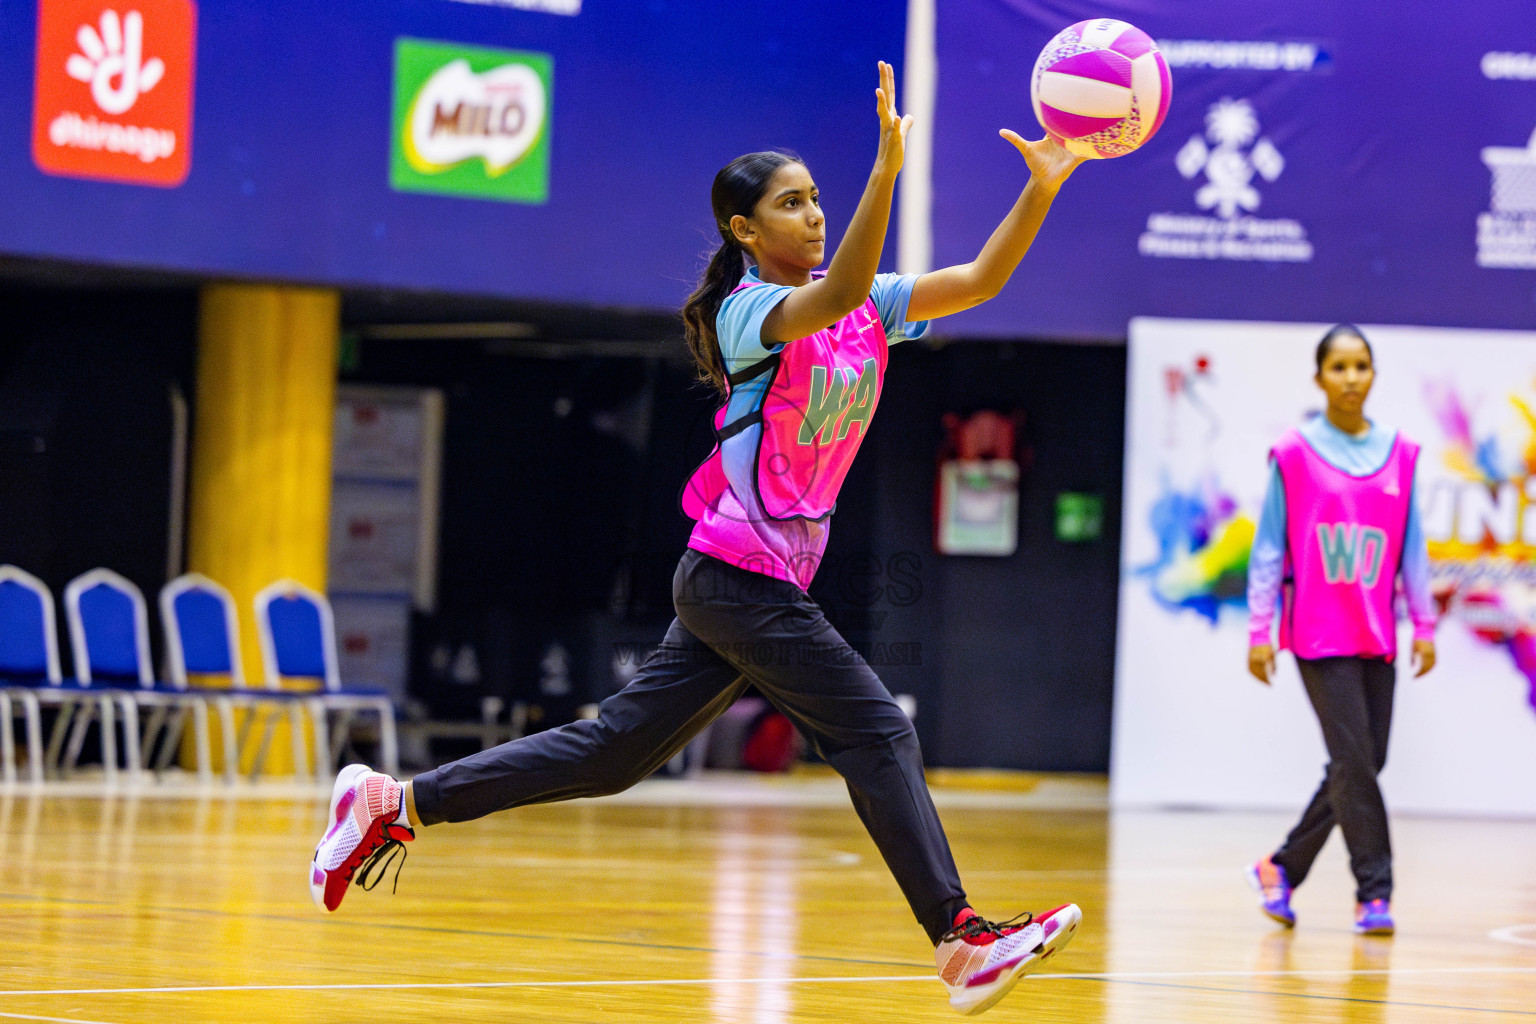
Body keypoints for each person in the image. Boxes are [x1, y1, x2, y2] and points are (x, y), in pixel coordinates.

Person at [310, 62, 1084, 1015]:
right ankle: (961, 938)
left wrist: (1041, 188)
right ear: (744, 230)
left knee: (611, 757)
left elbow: (978, 280)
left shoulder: (871, 307)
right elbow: (835, 293)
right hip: (737, 579)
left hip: (740, 583)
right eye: (792, 204)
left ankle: (394, 805)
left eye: (818, 200)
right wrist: (887, 172)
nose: (812, 215)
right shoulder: (751, 310)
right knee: (876, 728)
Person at [1244, 324, 1438, 936]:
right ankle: (1374, 892)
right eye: (1339, 367)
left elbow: (1412, 547)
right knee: (1354, 759)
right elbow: (1269, 548)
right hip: (1317, 634)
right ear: (1319, 377)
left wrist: (1424, 623)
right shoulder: (1294, 453)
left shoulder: (1401, 454)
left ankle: (1281, 866)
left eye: (1361, 367)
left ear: (1373, 375)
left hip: (1377, 631)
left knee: (1364, 760)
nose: (1351, 378)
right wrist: (1259, 631)